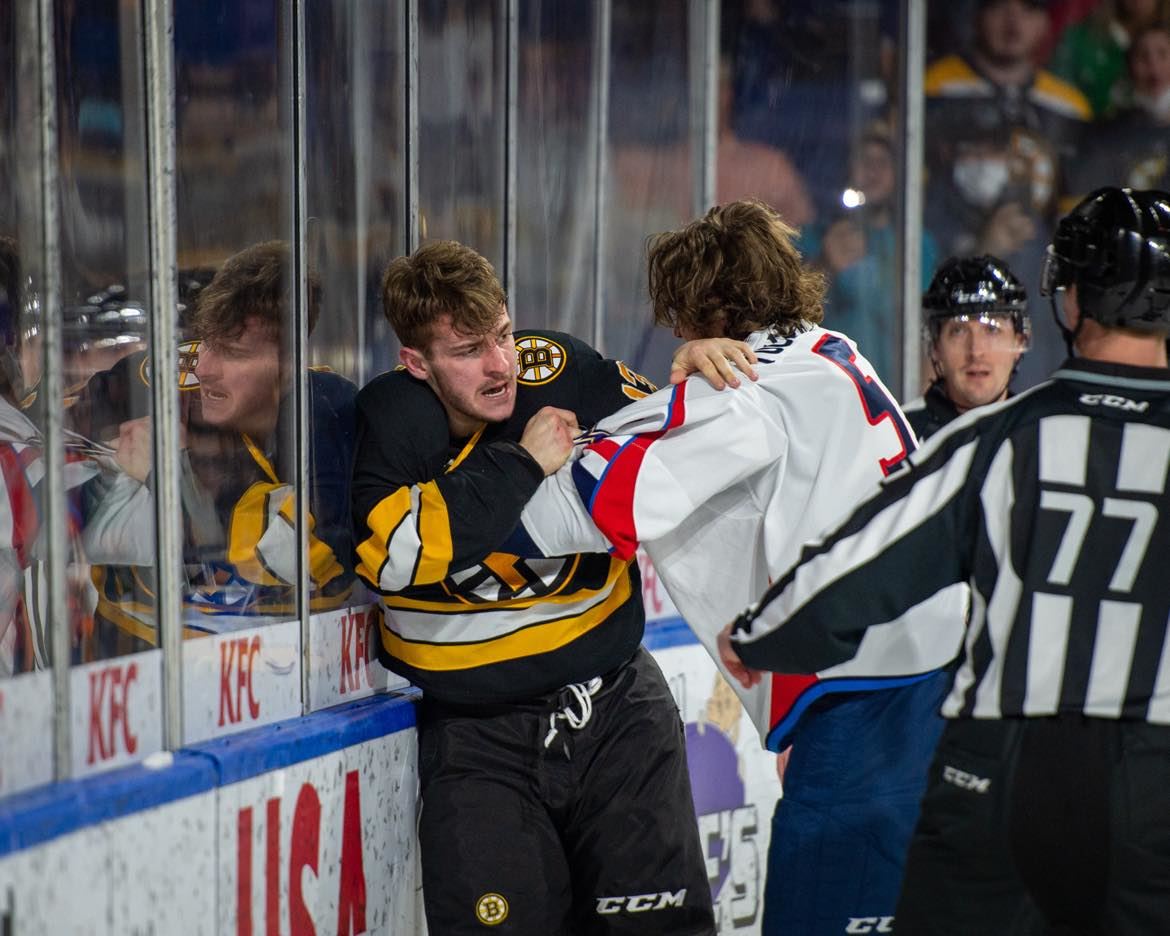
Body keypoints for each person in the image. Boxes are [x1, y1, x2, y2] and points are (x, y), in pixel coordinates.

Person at [719, 186, 1170, 934]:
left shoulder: (996, 439)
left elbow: (860, 568)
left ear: (1069, 303)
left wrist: (762, 636)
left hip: (1004, 770)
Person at [500, 199, 959, 935]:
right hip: (935, 678)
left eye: (680, 318)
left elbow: (587, 504)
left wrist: (519, 467)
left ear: (700, 311)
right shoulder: (832, 349)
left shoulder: (740, 390)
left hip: (861, 701)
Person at [351, 239, 734, 934]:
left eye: (501, 333)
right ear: (416, 363)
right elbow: (393, 558)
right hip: (478, 740)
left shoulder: (558, 370)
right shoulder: (390, 420)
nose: (501, 365)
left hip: (618, 712)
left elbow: (682, 450)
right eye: (468, 351)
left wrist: (695, 377)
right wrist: (523, 466)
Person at [77, 241, 357, 654]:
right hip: (131, 669)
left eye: (234, 353)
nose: (202, 369)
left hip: (276, 678)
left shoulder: (328, 412)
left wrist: (171, 471)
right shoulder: (157, 380)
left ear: (289, 361)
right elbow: (38, 426)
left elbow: (302, 555)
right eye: (204, 343)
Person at [924, 0, 1090, 385]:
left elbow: (1073, 219)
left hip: (1037, 290)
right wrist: (976, 246)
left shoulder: (1069, 107)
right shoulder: (934, 88)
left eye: (1029, 8)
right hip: (947, 271)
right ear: (977, 14)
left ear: (1045, 23)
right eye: (1000, 5)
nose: (1014, 20)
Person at [802, 121, 939, 382]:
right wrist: (824, 265)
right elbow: (787, 314)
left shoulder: (918, 244)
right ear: (846, 169)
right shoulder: (814, 238)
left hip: (896, 390)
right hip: (830, 385)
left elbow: (924, 324)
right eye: (864, 160)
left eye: (883, 162)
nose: (873, 171)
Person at [903, 254, 1032, 440]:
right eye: (958, 331)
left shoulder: (1040, 435)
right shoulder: (898, 437)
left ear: (1019, 342)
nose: (976, 351)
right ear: (935, 346)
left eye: (991, 330)